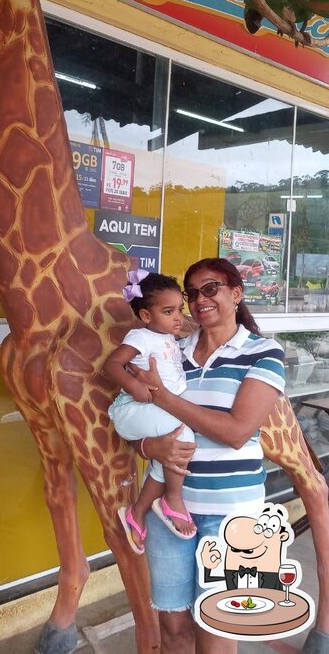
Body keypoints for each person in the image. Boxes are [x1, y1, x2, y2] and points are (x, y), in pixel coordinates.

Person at [130, 257, 285, 654]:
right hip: (169, 513)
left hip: (231, 516)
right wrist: (149, 447)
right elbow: (135, 420)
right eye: (192, 293)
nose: (200, 299)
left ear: (236, 293)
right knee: (174, 627)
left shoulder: (263, 353)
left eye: (211, 288)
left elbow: (236, 432)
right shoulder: (166, 349)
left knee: (216, 629)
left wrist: (161, 395)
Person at [103, 270, 197, 554]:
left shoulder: (168, 337)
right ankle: (173, 499)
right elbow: (111, 365)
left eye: (178, 310)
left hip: (152, 409)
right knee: (185, 437)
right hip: (132, 408)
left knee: (163, 460)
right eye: (168, 311)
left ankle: (137, 513)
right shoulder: (141, 336)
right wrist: (133, 386)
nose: (177, 317)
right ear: (146, 316)